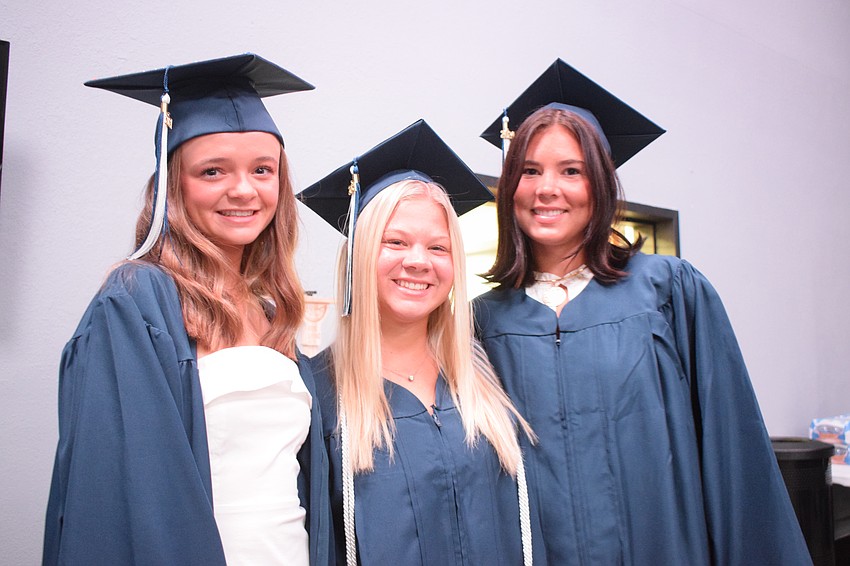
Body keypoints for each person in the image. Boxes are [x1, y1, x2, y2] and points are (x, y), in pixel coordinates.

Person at [473, 59, 812, 565]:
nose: (547, 189)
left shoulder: (669, 290)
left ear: (602, 186)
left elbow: (731, 447)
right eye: (529, 171)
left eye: (572, 171)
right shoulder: (483, 321)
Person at [43, 53, 330, 566]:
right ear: (173, 184)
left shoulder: (272, 315)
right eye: (212, 170)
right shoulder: (137, 301)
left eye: (262, 170)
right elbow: (120, 493)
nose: (243, 189)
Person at [299, 120, 539, 565]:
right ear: (358, 256)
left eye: (437, 247)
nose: (417, 262)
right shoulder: (318, 397)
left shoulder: (485, 377)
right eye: (395, 241)